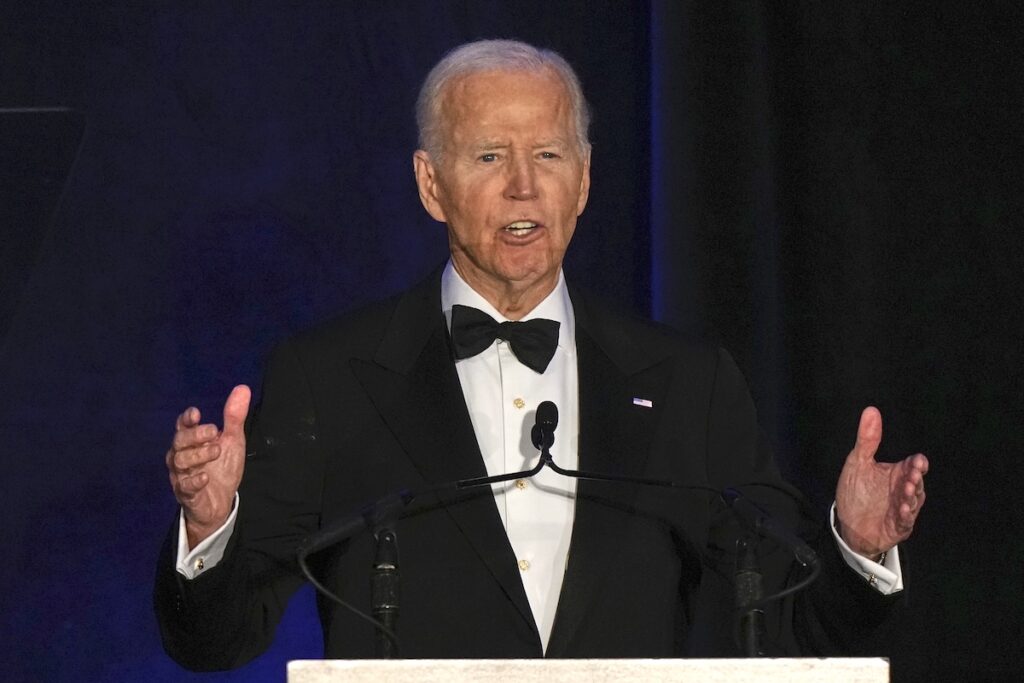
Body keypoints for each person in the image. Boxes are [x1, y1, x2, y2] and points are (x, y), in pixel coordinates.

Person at [155, 40, 929, 670]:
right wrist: (212, 526)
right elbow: (217, 639)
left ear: (586, 179)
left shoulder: (689, 383)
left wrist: (854, 545)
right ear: (432, 185)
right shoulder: (328, 380)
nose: (523, 188)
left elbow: (793, 620)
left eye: (549, 156)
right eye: (490, 157)